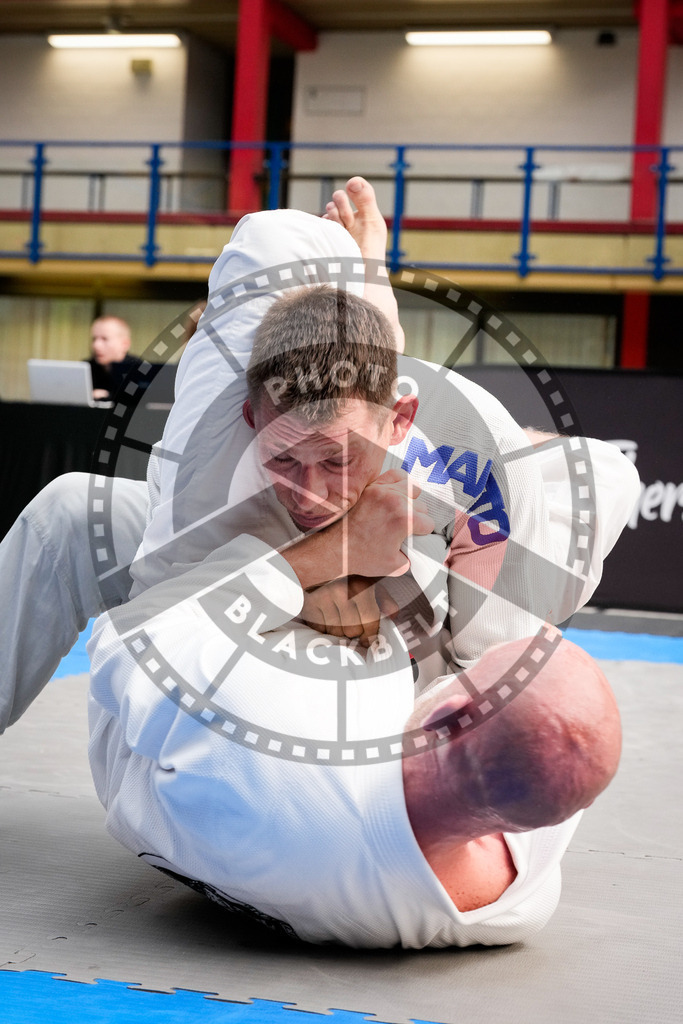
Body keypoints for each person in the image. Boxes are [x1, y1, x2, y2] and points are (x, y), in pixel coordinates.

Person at [0, 177, 638, 734]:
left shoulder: (438, 482)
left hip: (419, 597)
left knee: (599, 473)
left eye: (336, 463)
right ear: (250, 414)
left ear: (396, 423)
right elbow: (154, 632)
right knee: (72, 509)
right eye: (285, 460)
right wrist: (319, 555)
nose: (309, 491)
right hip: (242, 540)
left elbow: (476, 672)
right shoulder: (214, 442)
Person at [88, 315, 140, 400]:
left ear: (125, 344)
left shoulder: (139, 370)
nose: (96, 345)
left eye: (105, 339)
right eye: (94, 339)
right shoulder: (86, 368)